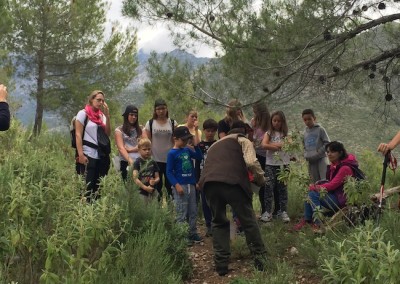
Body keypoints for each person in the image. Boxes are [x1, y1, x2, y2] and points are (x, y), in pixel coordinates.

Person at [199, 120, 267, 276]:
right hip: (232, 183)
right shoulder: (243, 140)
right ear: (244, 131)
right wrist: (261, 180)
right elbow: (251, 162)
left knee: (218, 222)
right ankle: (261, 260)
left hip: (209, 184)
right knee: (248, 221)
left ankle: (221, 265)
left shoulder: (215, 145)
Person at [293, 141, 360, 232]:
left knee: (313, 194)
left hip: (343, 200)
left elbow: (332, 185)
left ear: (340, 153)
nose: (329, 154)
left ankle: (317, 223)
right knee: (311, 192)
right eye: (328, 152)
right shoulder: (336, 165)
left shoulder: (345, 168)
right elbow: (331, 182)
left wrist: (315, 187)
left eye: (332, 152)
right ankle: (308, 219)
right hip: (337, 196)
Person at [166, 126, 203, 245]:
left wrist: (196, 145)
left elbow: (199, 156)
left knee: (193, 211)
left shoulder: (187, 150)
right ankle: (182, 235)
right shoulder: (172, 153)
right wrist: (176, 185)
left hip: (191, 185)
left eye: (187, 139)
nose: (186, 141)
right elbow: (169, 172)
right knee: (181, 211)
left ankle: (192, 232)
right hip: (180, 186)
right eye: (183, 139)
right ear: (175, 139)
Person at [75, 90, 111, 202]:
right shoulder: (83, 113)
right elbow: (78, 134)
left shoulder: (102, 117)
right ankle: (82, 211)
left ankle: (93, 211)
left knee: (97, 188)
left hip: (100, 155)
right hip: (87, 153)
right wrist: (80, 154)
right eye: (98, 100)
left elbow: (107, 134)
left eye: (102, 101)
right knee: (86, 186)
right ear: (91, 100)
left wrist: (107, 115)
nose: (100, 102)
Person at [143, 99, 177, 200]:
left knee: (170, 185)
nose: (161, 111)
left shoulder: (172, 122)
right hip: (155, 159)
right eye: (158, 109)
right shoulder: (150, 123)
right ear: (155, 110)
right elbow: (148, 141)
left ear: (166, 109)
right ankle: (157, 209)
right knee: (156, 186)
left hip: (169, 159)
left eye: (163, 108)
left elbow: (175, 141)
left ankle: (171, 208)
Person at [260, 111, 291, 223]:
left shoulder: (287, 133)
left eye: (279, 121)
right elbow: (264, 145)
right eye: (274, 120)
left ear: (283, 122)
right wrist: (279, 146)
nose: (277, 123)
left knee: (283, 188)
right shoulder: (268, 133)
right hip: (270, 164)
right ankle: (267, 212)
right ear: (271, 121)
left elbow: (288, 145)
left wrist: (271, 145)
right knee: (268, 188)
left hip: (284, 164)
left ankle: (283, 211)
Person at [195, 118, 218, 237]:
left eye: (213, 131)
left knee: (215, 202)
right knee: (205, 203)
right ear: (203, 131)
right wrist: (197, 180)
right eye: (208, 131)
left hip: (215, 178)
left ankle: (217, 224)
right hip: (203, 178)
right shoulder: (200, 145)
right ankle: (208, 225)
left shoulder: (218, 144)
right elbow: (196, 164)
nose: (210, 133)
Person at [250, 101, 271, 216]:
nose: (254, 113)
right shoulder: (253, 121)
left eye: (255, 110)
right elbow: (251, 137)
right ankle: (252, 210)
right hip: (255, 156)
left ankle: (265, 210)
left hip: (267, 156)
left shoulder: (269, 122)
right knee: (254, 183)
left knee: (265, 184)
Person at [302, 109, 330, 183]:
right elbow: (304, 146)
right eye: (305, 120)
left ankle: (326, 194)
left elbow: (327, 143)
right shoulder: (304, 133)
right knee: (314, 181)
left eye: (309, 119)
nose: (307, 121)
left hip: (321, 158)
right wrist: (305, 155)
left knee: (324, 179)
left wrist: (319, 152)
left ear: (314, 118)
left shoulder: (320, 129)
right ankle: (316, 194)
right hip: (311, 160)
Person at [115, 105, 142, 181]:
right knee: (127, 186)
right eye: (131, 115)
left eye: (135, 115)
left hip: (140, 161)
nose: (134, 117)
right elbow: (121, 148)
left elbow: (143, 145)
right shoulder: (119, 130)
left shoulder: (141, 129)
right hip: (125, 162)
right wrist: (130, 160)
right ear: (127, 115)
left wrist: (130, 150)